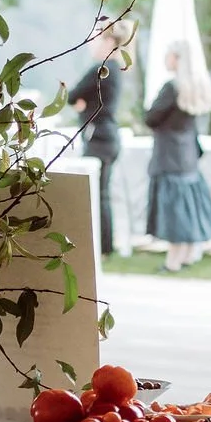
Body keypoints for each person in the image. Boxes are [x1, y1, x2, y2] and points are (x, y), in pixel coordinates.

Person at [144, 39, 211, 272]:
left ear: (177, 59)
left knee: (175, 211)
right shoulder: (196, 86)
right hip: (187, 154)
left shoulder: (172, 87)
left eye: (168, 55)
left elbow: (151, 118)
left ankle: (173, 260)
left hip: (169, 154)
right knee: (188, 207)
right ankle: (186, 256)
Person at [66, 20, 133, 257]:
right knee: (101, 192)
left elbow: (72, 95)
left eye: (95, 39)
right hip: (107, 137)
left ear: (108, 41)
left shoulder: (102, 69)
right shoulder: (114, 70)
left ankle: (102, 247)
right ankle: (104, 246)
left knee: (96, 192)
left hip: (99, 138)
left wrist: (82, 105)